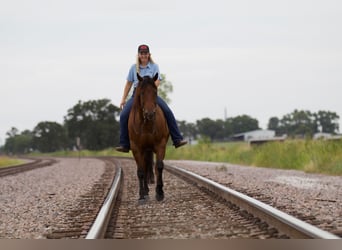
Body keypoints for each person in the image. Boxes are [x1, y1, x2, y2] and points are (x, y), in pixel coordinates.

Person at [115, 44, 187, 152]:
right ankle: (124, 144)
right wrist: (123, 99)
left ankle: (177, 138)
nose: (144, 55)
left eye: (145, 53)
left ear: (149, 55)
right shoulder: (133, 68)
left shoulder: (154, 67)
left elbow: (158, 80)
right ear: (138, 55)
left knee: (167, 111)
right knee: (124, 115)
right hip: (136, 95)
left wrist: (151, 89)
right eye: (141, 53)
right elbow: (128, 84)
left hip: (151, 95)